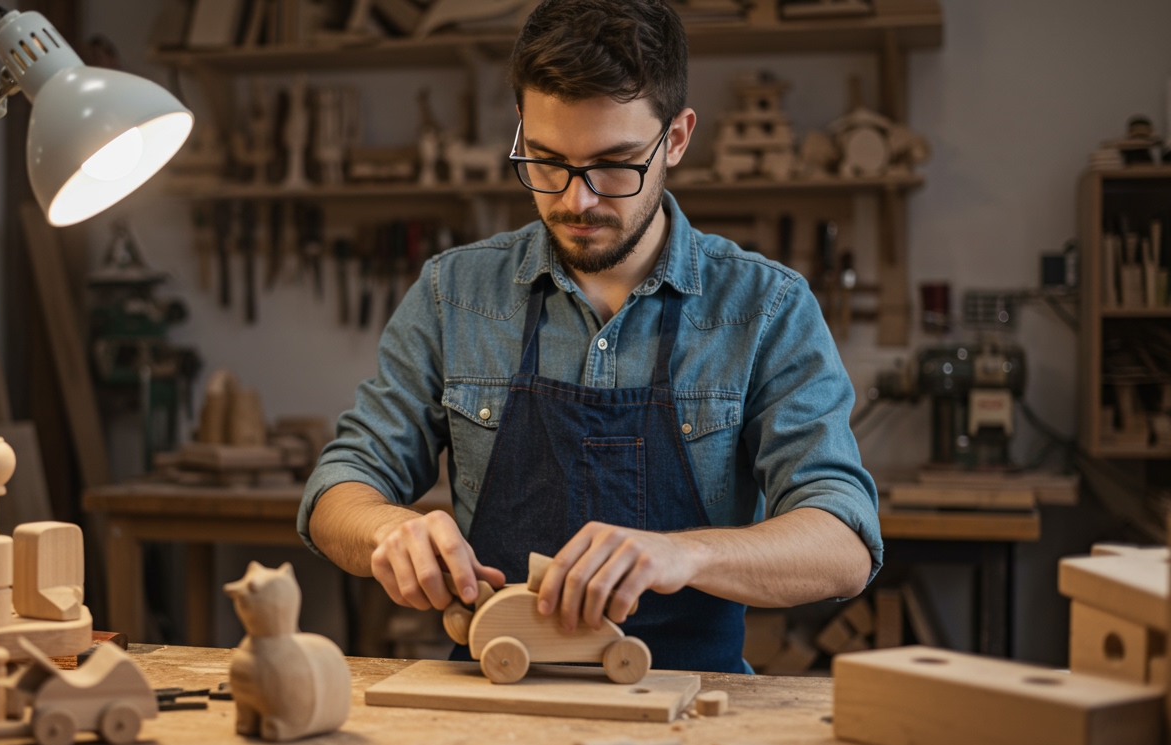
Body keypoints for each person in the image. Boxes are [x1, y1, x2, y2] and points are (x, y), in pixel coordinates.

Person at [296, 0, 880, 673]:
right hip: (494, 695)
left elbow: (844, 541)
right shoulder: (452, 294)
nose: (576, 200)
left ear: (678, 139)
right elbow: (336, 488)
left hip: (690, 703)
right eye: (546, 161)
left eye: (615, 164)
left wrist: (683, 553)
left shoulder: (765, 308)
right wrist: (388, 530)